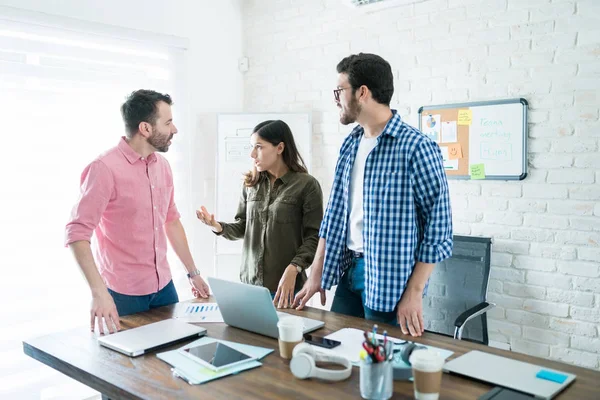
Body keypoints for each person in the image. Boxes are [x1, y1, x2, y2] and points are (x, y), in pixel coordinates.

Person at [293, 53, 453, 337]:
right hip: (348, 269)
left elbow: (438, 231)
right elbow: (334, 215)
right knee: (338, 349)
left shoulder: (416, 148)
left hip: (389, 279)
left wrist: (415, 293)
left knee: (380, 366)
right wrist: (316, 271)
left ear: (362, 93)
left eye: (339, 91)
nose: (336, 99)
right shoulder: (350, 144)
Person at [65, 89, 209, 334]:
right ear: (145, 128)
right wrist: (98, 292)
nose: (174, 130)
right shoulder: (104, 169)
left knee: (172, 357)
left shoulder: (162, 167)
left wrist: (192, 273)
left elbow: (171, 221)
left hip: (164, 287)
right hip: (122, 294)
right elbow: (77, 233)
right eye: (168, 122)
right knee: (129, 369)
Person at [196, 120, 323, 309]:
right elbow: (243, 227)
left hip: (285, 288)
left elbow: (314, 238)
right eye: (251, 147)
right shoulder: (251, 184)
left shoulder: (307, 185)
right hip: (249, 285)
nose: (252, 154)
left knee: (283, 338)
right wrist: (217, 226)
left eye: (258, 147)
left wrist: (294, 267)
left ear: (280, 147)